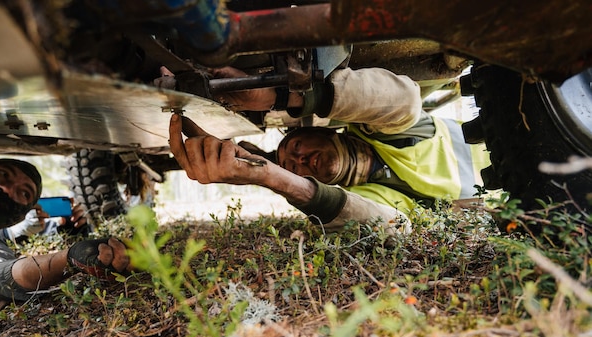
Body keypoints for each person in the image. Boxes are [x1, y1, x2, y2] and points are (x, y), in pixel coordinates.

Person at [167, 66, 492, 233]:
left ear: (324, 131)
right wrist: (271, 178)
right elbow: (387, 224)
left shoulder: (387, 130)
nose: (299, 159)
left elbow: (402, 101)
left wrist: (279, 97)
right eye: (293, 168)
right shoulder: (370, 197)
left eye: (294, 146)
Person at [0, 158, 131, 314]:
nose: (6, 189)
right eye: (4, 174)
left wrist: (69, 257)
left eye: (24, 193)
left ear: (19, 217)